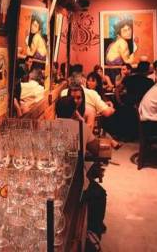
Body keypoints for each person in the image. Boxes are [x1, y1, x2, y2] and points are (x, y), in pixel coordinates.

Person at [55, 86, 107, 240]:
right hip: (76, 187)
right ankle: (94, 230)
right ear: (74, 111)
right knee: (100, 194)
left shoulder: (48, 126)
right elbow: (96, 149)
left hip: (55, 182)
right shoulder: (81, 127)